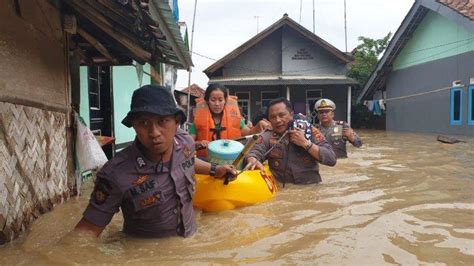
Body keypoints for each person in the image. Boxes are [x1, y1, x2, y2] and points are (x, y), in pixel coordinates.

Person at [74, 85, 237, 238]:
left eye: (162, 121)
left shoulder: (185, 143)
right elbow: (85, 234)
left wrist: (215, 169)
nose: (154, 133)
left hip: (190, 242)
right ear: (134, 126)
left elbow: (187, 161)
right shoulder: (116, 174)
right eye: (144, 123)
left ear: (177, 122)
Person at [245, 98, 336, 185]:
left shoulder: (309, 131)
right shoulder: (267, 136)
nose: (278, 120)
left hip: (311, 189)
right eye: (273, 117)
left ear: (291, 114)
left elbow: (331, 159)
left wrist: (306, 144)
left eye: (281, 115)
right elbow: (254, 151)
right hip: (283, 191)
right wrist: (252, 159)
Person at [189, 83, 271, 158]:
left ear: (225, 100)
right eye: (213, 100)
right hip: (207, 163)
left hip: (230, 161)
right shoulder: (197, 121)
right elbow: (188, 143)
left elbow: (249, 133)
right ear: (207, 101)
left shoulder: (236, 119)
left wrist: (259, 125)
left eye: (220, 100)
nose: (217, 104)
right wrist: (199, 143)